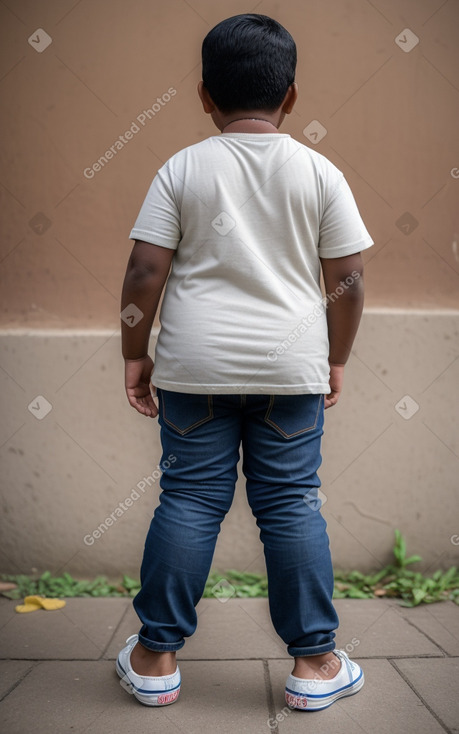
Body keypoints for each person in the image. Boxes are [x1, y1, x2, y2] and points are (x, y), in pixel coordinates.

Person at [116, 13, 372, 711]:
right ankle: (315, 665)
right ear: (291, 95)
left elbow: (144, 271)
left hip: (193, 369)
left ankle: (154, 658)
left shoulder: (182, 168)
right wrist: (335, 359)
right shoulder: (318, 171)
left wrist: (135, 355)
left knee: (190, 499)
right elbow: (347, 280)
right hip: (291, 369)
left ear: (203, 94)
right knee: (289, 504)